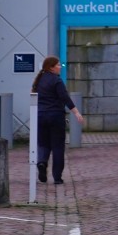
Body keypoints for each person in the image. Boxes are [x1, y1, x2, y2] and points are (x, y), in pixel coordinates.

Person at [31, 56, 83, 186]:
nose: (60, 67)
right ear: (51, 67)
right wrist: (76, 112)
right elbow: (64, 97)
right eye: (58, 65)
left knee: (43, 144)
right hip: (56, 116)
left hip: (41, 116)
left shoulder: (39, 81)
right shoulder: (56, 81)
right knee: (58, 146)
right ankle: (57, 177)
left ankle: (42, 162)